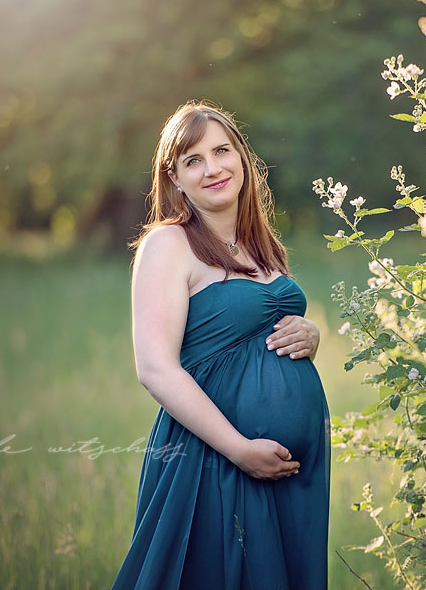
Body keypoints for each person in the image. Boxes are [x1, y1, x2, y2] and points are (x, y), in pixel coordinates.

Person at [110, 100, 331, 590]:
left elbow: (259, 331)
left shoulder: (262, 245)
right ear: (174, 180)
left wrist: (310, 335)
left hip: (290, 473)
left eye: (221, 151)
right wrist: (239, 449)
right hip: (214, 460)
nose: (212, 169)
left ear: (242, 159)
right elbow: (156, 368)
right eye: (193, 161)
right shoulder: (169, 245)